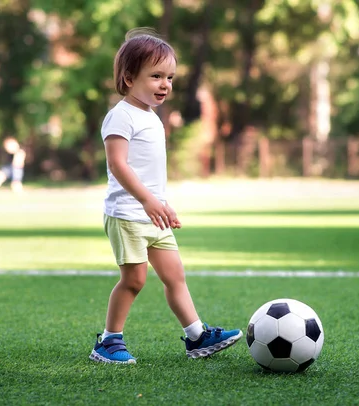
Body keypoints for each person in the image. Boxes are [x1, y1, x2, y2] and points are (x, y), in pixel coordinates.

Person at [89, 28, 242, 364]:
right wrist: (146, 200)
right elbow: (117, 163)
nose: (165, 84)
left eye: (170, 77)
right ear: (129, 78)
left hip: (153, 213)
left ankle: (196, 336)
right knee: (134, 280)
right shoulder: (120, 115)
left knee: (175, 275)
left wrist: (160, 201)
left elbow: (149, 171)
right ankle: (109, 340)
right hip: (128, 214)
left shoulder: (152, 117)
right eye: (156, 76)